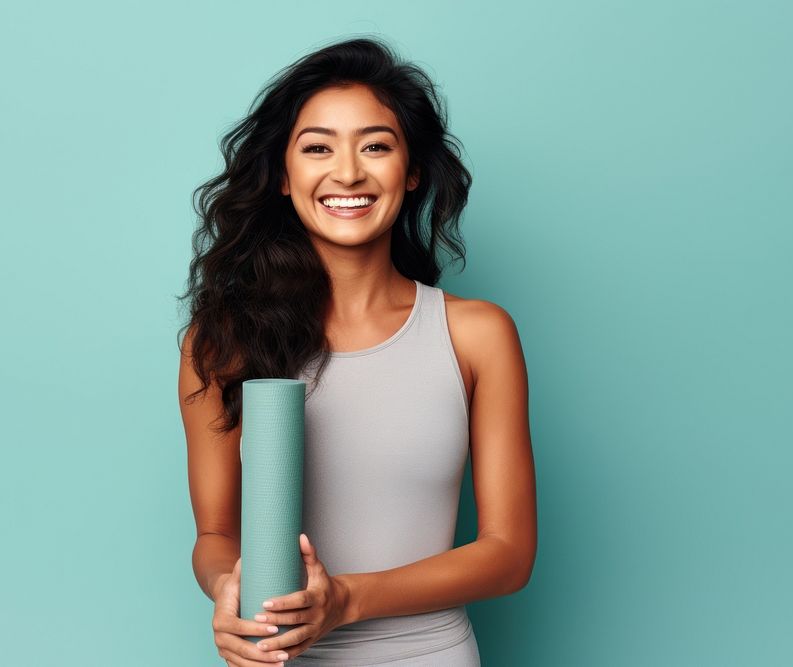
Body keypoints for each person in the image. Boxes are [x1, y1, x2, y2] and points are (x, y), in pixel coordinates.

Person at [177, 36, 537, 666]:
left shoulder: (476, 335)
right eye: (317, 148)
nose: (347, 173)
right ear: (284, 178)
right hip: (281, 656)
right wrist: (226, 590)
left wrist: (347, 599)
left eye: (375, 145)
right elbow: (215, 534)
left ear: (413, 169)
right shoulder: (223, 342)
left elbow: (508, 554)